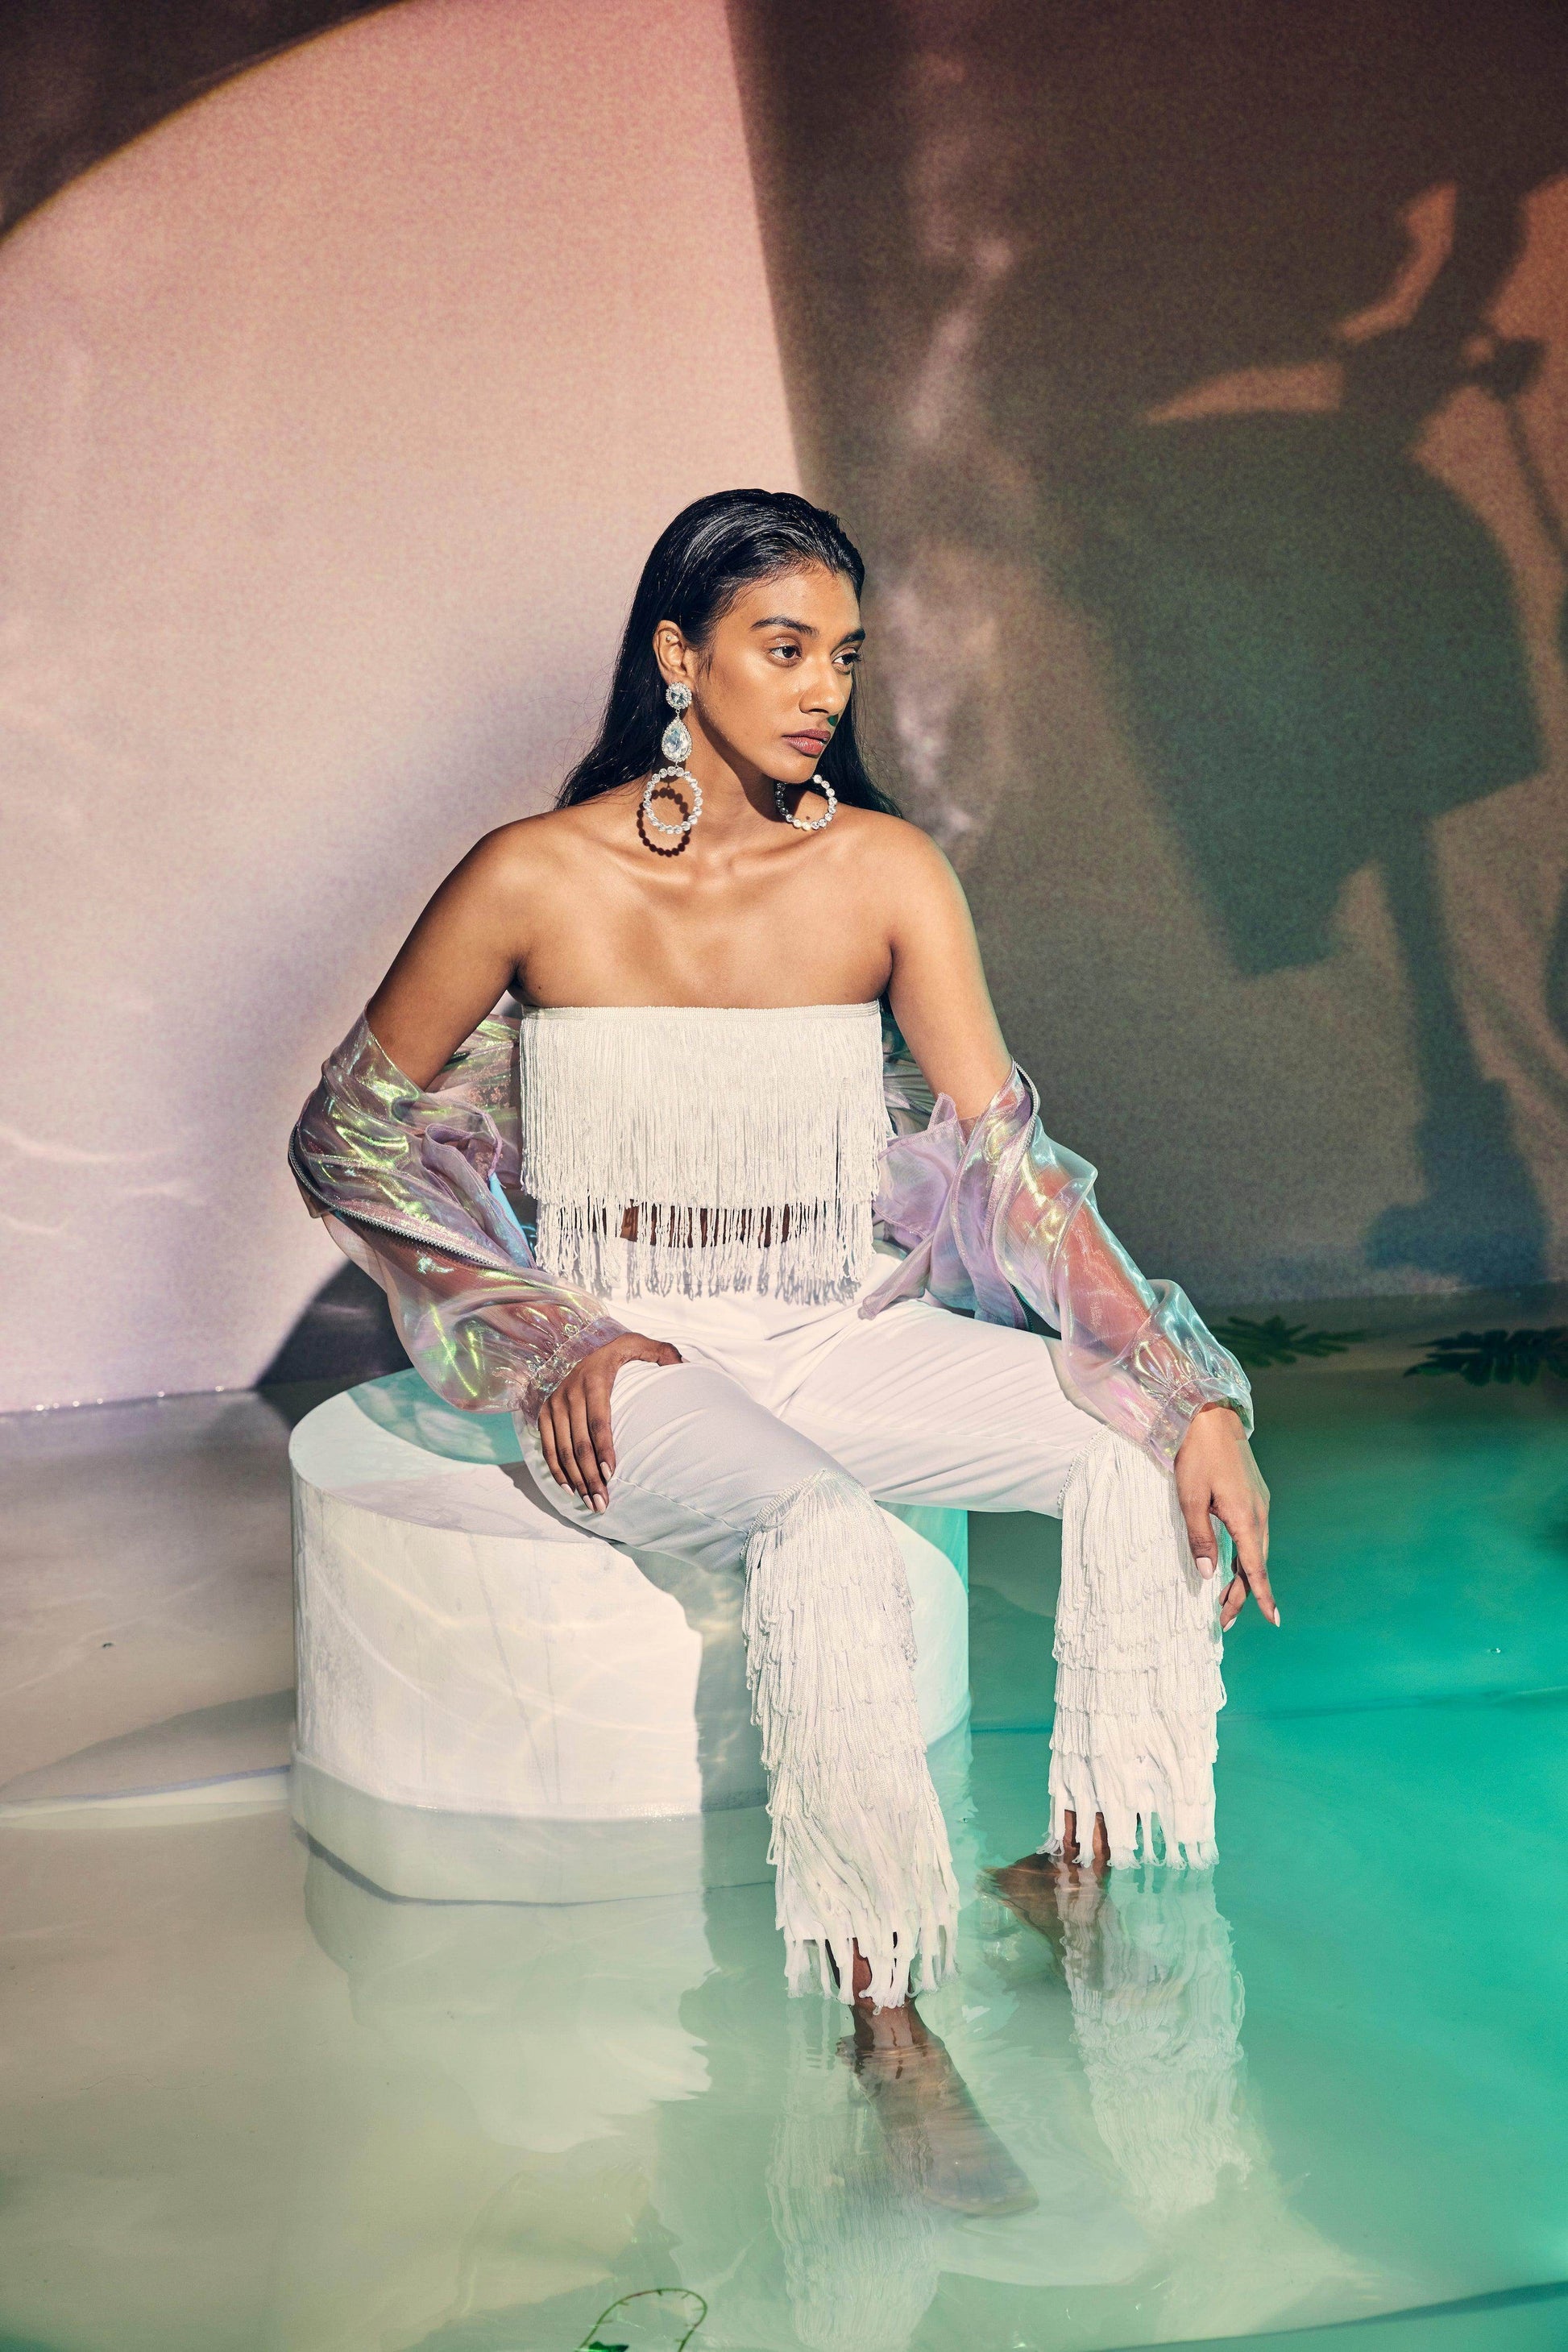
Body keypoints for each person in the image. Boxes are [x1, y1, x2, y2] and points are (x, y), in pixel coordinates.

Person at [289, 487, 1273, 2041]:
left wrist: (1185, 1389)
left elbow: (1011, 1171)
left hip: (840, 1331)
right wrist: (543, 1337)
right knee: (824, 1537)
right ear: (680, 657)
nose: (824, 689)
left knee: (1140, 1454)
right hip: (638, 1362)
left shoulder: (887, 873)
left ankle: (1086, 1887)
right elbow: (348, 1141)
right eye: (784, 647)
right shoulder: (530, 877)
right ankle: (886, 2022)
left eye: (844, 655)